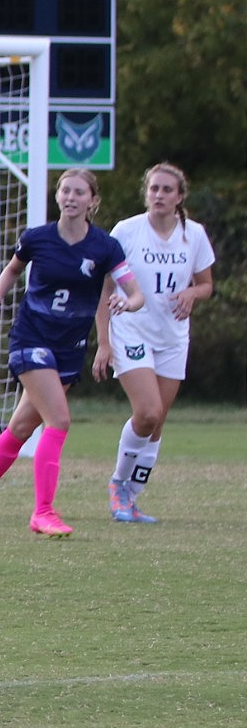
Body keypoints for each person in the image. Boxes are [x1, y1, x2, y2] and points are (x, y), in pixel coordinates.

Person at [0, 169, 145, 538]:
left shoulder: (105, 247)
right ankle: (42, 511)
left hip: (68, 348)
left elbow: (135, 292)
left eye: (79, 192)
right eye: (65, 190)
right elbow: (13, 269)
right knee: (58, 421)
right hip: (31, 339)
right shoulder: (37, 238)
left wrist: (129, 303)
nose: (70, 197)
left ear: (92, 200)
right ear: (58, 196)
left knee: (20, 428)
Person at [94, 162, 216, 523]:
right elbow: (105, 287)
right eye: (153, 189)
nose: (158, 195)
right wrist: (103, 340)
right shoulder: (127, 231)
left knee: (157, 421)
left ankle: (132, 498)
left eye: (166, 190)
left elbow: (207, 284)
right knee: (147, 412)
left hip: (173, 337)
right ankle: (118, 485)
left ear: (180, 197)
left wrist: (193, 292)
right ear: (146, 193)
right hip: (131, 330)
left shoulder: (193, 234)